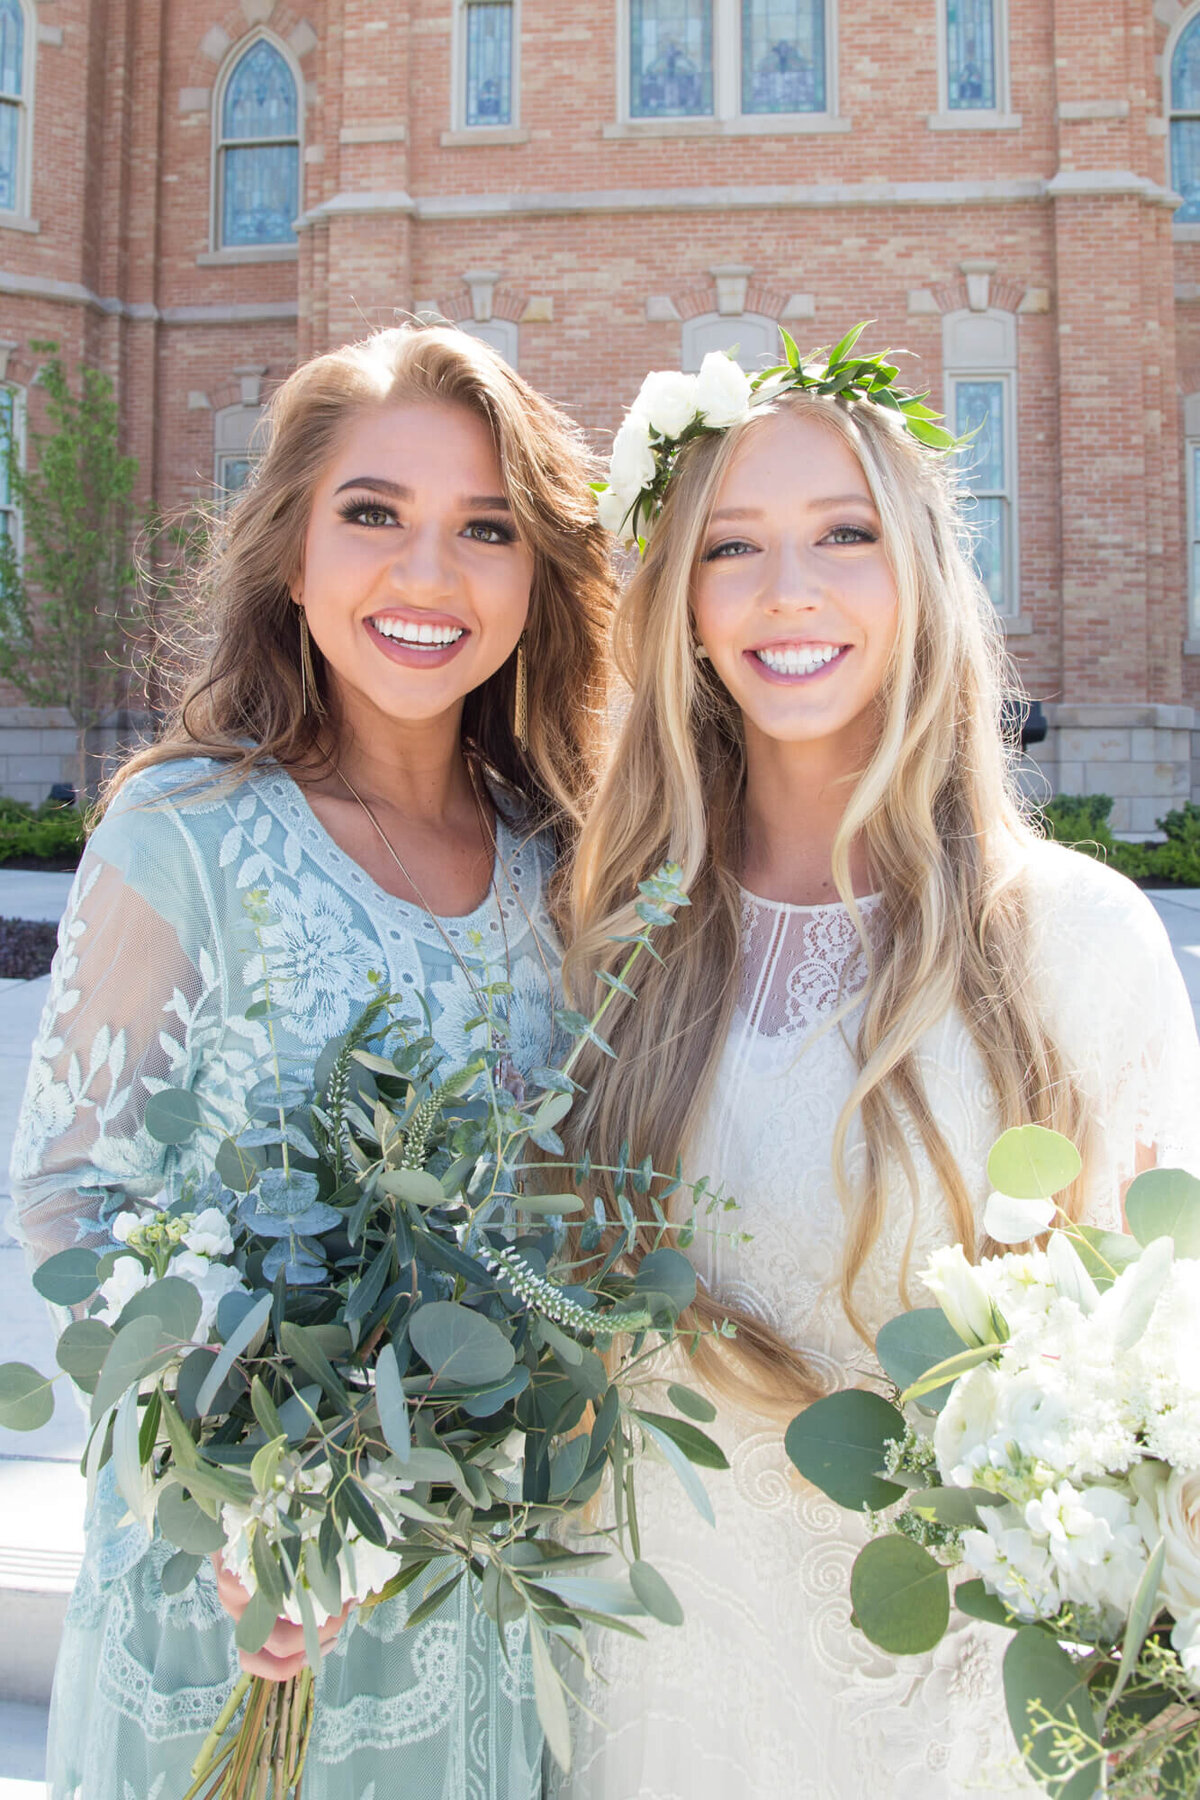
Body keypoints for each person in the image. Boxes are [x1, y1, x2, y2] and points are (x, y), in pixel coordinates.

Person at [557, 342, 1200, 1797]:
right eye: (733, 547)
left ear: (916, 571)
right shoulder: (616, 937)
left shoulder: (1071, 945)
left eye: (844, 532)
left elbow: (1163, 1377)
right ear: (685, 609)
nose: (792, 590)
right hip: (650, 1689)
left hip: (936, 1719)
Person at [11, 323, 613, 1800]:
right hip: (241, 1587)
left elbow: (579, 1218)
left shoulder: (570, 869)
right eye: (373, 514)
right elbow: (74, 1213)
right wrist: (243, 1485)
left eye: (488, 528)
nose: (430, 574)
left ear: (536, 580)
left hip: (476, 1582)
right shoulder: (183, 838)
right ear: (291, 554)